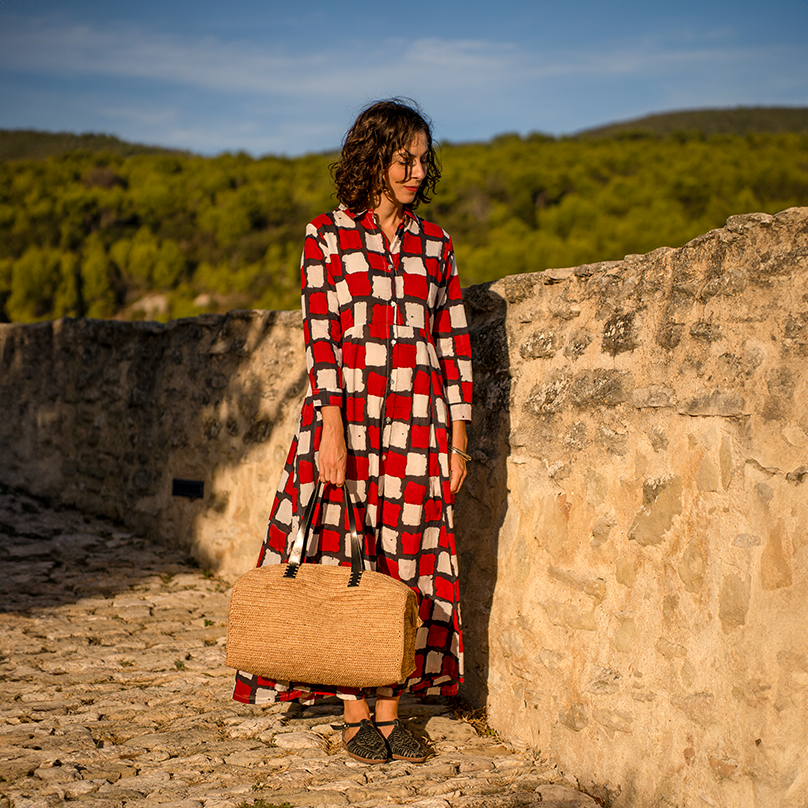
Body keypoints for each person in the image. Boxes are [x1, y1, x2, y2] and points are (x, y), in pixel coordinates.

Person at [232, 99, 473, 765]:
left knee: (407, 568)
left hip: (420, 428)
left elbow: (453, 342)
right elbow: (323, 341)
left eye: (424, 159)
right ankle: (353, 711)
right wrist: (330, 426)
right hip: (350, 424)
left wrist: (457, 435)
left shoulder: (438, 246)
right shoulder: (326, 238)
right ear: (375, 159)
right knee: (347, 560)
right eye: (406, 158)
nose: (418, 171)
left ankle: (393, 713)